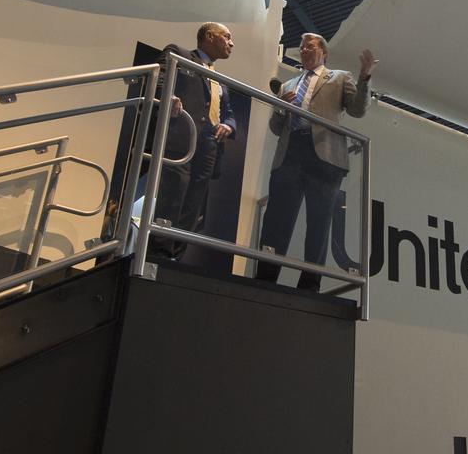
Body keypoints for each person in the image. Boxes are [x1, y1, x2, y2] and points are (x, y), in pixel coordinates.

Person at [255, 33, 375, 288]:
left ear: (324, 52)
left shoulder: (340, 77)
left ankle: (310, 285)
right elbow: (276, 128)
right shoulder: (287, 86)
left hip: (325, 159)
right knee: (276, 220)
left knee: (319, 223)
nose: (304, 50)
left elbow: (357, 110)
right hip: (289, 155)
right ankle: (265, 279)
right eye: (301, 47)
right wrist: (280, 107)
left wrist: (364, 77)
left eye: (309, 46)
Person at [150, 23, 236, 260]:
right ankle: (158, 253)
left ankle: (176, 256)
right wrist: (169, 96)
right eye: (227, 37)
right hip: (182, 137)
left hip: (210, 146)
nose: (231, 43)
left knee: (195, 202)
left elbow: (228, 113)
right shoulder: (180, 53)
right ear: (209, 36)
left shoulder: (220, 80)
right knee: (174, 192)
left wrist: (229, 125)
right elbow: (158, 78)